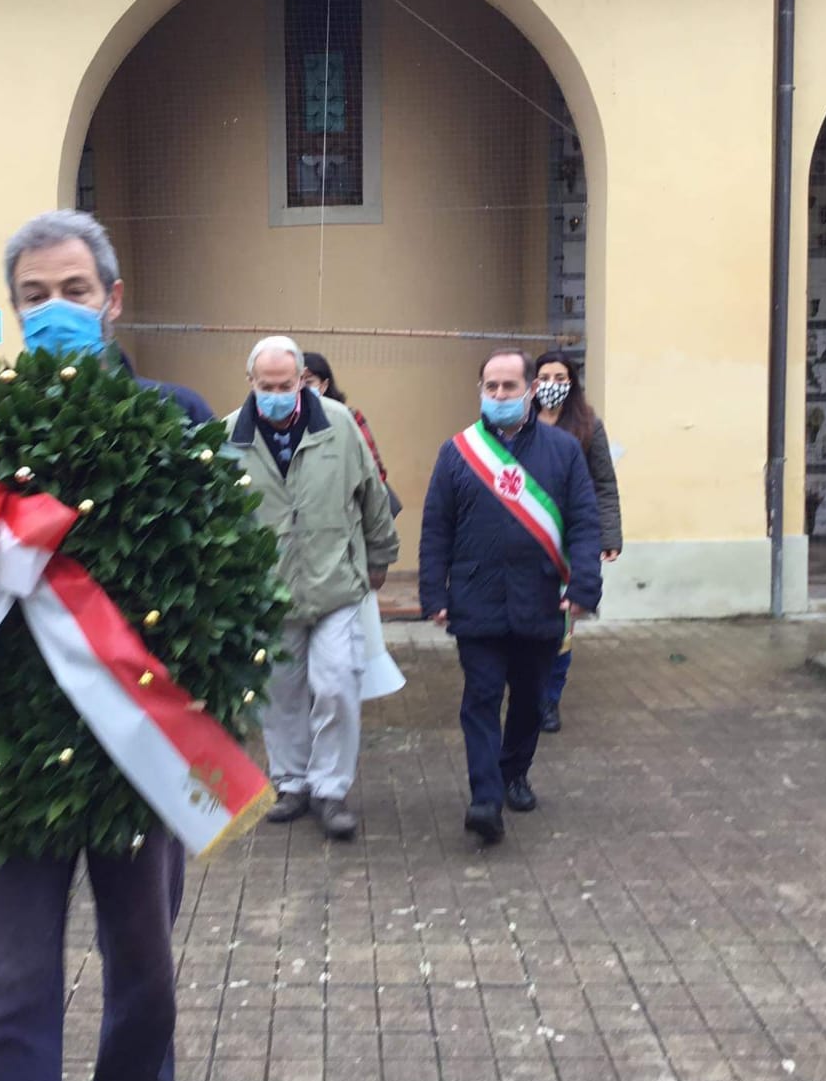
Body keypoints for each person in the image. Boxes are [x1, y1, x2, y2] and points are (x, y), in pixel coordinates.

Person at [0, 209, 209, 1081]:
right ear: (13, 312)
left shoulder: (178, 420)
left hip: (135, 750)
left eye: (73, 292)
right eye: (35, 297)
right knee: (10, 977)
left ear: (113, 300)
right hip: (8, 761)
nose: (54, 310)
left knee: (144, 967)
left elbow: (223, 576)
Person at [419, 349, 602, 845]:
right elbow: (437, 527)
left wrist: (584, 584)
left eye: (509, 387)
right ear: (481, 391)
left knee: (529, 697)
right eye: (491, 387)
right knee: (479, 697)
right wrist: (433, 591)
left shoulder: (563, 452)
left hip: (540, 597)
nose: (499, 395)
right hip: (476, 598)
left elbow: (586, 523)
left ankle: (514, 772)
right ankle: (485, 798)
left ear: (530, 391)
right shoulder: (457, 452)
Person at [227, 335, 399, 840]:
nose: (276, 393)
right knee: (280, 695)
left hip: (335, 586)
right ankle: (291, 784)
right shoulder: (227, 439)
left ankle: (329, 790)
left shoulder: (339, 424)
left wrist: (381, 556)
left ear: (302, 380)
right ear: (251, 383)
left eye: (286, 384)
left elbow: (371, 492)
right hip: (269, 592)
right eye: (266, 385)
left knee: (336, 686)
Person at [533, 349, 622, 733]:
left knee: (563, 625)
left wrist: (609, 534)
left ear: (571, 383)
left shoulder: (587, 425)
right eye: (544, 377)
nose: (552, 385)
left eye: (560, 378)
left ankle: (549, 701)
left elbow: (604, 483)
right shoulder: (517, 422)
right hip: (526, 537)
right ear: (532, 383)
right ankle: (527, 693)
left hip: (569, 542)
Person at [302, 350, 402, 518]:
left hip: (347, 510)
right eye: (297, 383)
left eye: (309, 382)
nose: (302, 389)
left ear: (324, 385)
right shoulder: (289, 423)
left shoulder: (349, 418)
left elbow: (375, 470)